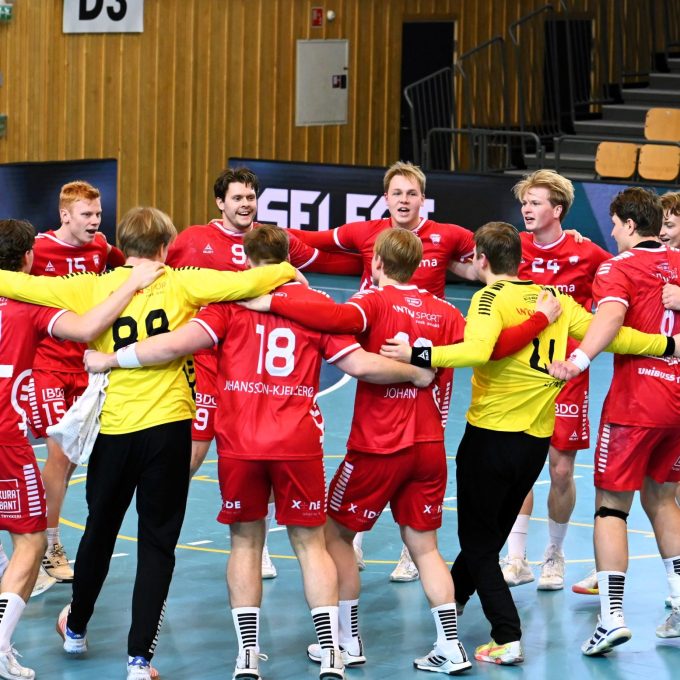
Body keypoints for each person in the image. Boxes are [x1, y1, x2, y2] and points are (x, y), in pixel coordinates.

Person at [83, 225, 434, 680]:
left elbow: (172, 344)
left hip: (241, 444)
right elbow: (361, 365)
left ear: (245, 261)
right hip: (297, 443)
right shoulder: (313, 306)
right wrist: (416, 372)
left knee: (246, 542)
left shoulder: (229, 305)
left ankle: (246, 657)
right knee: (310, 545)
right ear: (287, 259)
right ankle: (332, 654)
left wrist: (112, 359)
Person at [0, 207, 300, 680]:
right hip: (168, 431)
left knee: (99, 532)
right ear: (164, 248)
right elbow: (249, 281)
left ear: (123, 245)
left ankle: (76, 628)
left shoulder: (93, 285)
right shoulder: (183, 282)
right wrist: (287, 271)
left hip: (114, 433)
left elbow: (18, 284)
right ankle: (139, 659)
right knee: (157, 545)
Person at [380, 221, 680, 666]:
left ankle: (507, 636)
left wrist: (418, 354)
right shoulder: (554, 297)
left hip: (491, 437)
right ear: (519, 260)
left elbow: (477, 351)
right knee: (490, 534)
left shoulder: (489, 298)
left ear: (481, 260)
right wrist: (669, 344)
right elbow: (610, 333)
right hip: (535, 442)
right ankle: (454, 602)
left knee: (478, 543)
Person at [245, 228, 492, 674]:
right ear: (418, 265)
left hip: (379, 446)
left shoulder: (372, 302)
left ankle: (347, 640)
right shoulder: (446, 311)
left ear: (376, 262)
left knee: (335, 535)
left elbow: (332, 317)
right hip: (430, 444)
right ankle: (450, 646)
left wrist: (272, 300)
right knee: (426, 549)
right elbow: (473, 350)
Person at [165, 166, 362, 579]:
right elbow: (165, 282)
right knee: (190, 457)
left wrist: (376, 261)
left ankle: (261, 546)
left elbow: (321, 265)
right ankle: (160, 535)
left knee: (261, 456)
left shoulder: (273, 241)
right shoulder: (193, 240)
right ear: (220, 202)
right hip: (206, 364)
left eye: (250, 198)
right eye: (237, 198)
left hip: (252, 371)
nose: (245, 205)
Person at [291, 160, 478, 582]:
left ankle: (408, 550)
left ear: (423, 198)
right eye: (397, 193)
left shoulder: (447, 235)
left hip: (428, 354)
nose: (404, 200)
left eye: (412, 193)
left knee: (421, 440)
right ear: (386, 198)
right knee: (387, 435)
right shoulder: (366, 235)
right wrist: (258, 232)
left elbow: (487, 255)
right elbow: (310, 241)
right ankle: (357, 537)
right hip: (382, 340)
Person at [0, 217, 163, 680]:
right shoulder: (29, 305)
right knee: (30, 541)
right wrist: (131, 283)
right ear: (28, 259)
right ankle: (0, 644)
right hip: (5, 437)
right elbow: (91, 324)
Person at [548, 188, 680, 655]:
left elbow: (610, 318)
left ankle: (611, 618)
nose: (612, 232)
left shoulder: (617, 267)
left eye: (615, 224)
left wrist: (578, 360)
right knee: (663, 497)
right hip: (678, 400)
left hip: (637, 403)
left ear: (627, 224)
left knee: (610, 508)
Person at [500, 170, 612, 592]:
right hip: (520, 372)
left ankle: (554, 554)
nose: (526, 209)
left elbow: (625, 279)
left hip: (567, 372)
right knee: (518, 466)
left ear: (558, 209)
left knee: (562, 470)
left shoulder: (587, 253)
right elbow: (468, 263)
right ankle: (516, 558)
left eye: (535, 202)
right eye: (525, 202)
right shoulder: (513, 246)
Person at [28, 180, 126, 583]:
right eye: (86, 214)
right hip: (46, 367)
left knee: (69, 463)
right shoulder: (38, 249)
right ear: (64, 215)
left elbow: (128, 264)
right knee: (59, 457)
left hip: (87, 369)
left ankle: (38, 536)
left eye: (98, 214)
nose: (95, 221)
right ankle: (47, 546)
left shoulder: (100, 248)